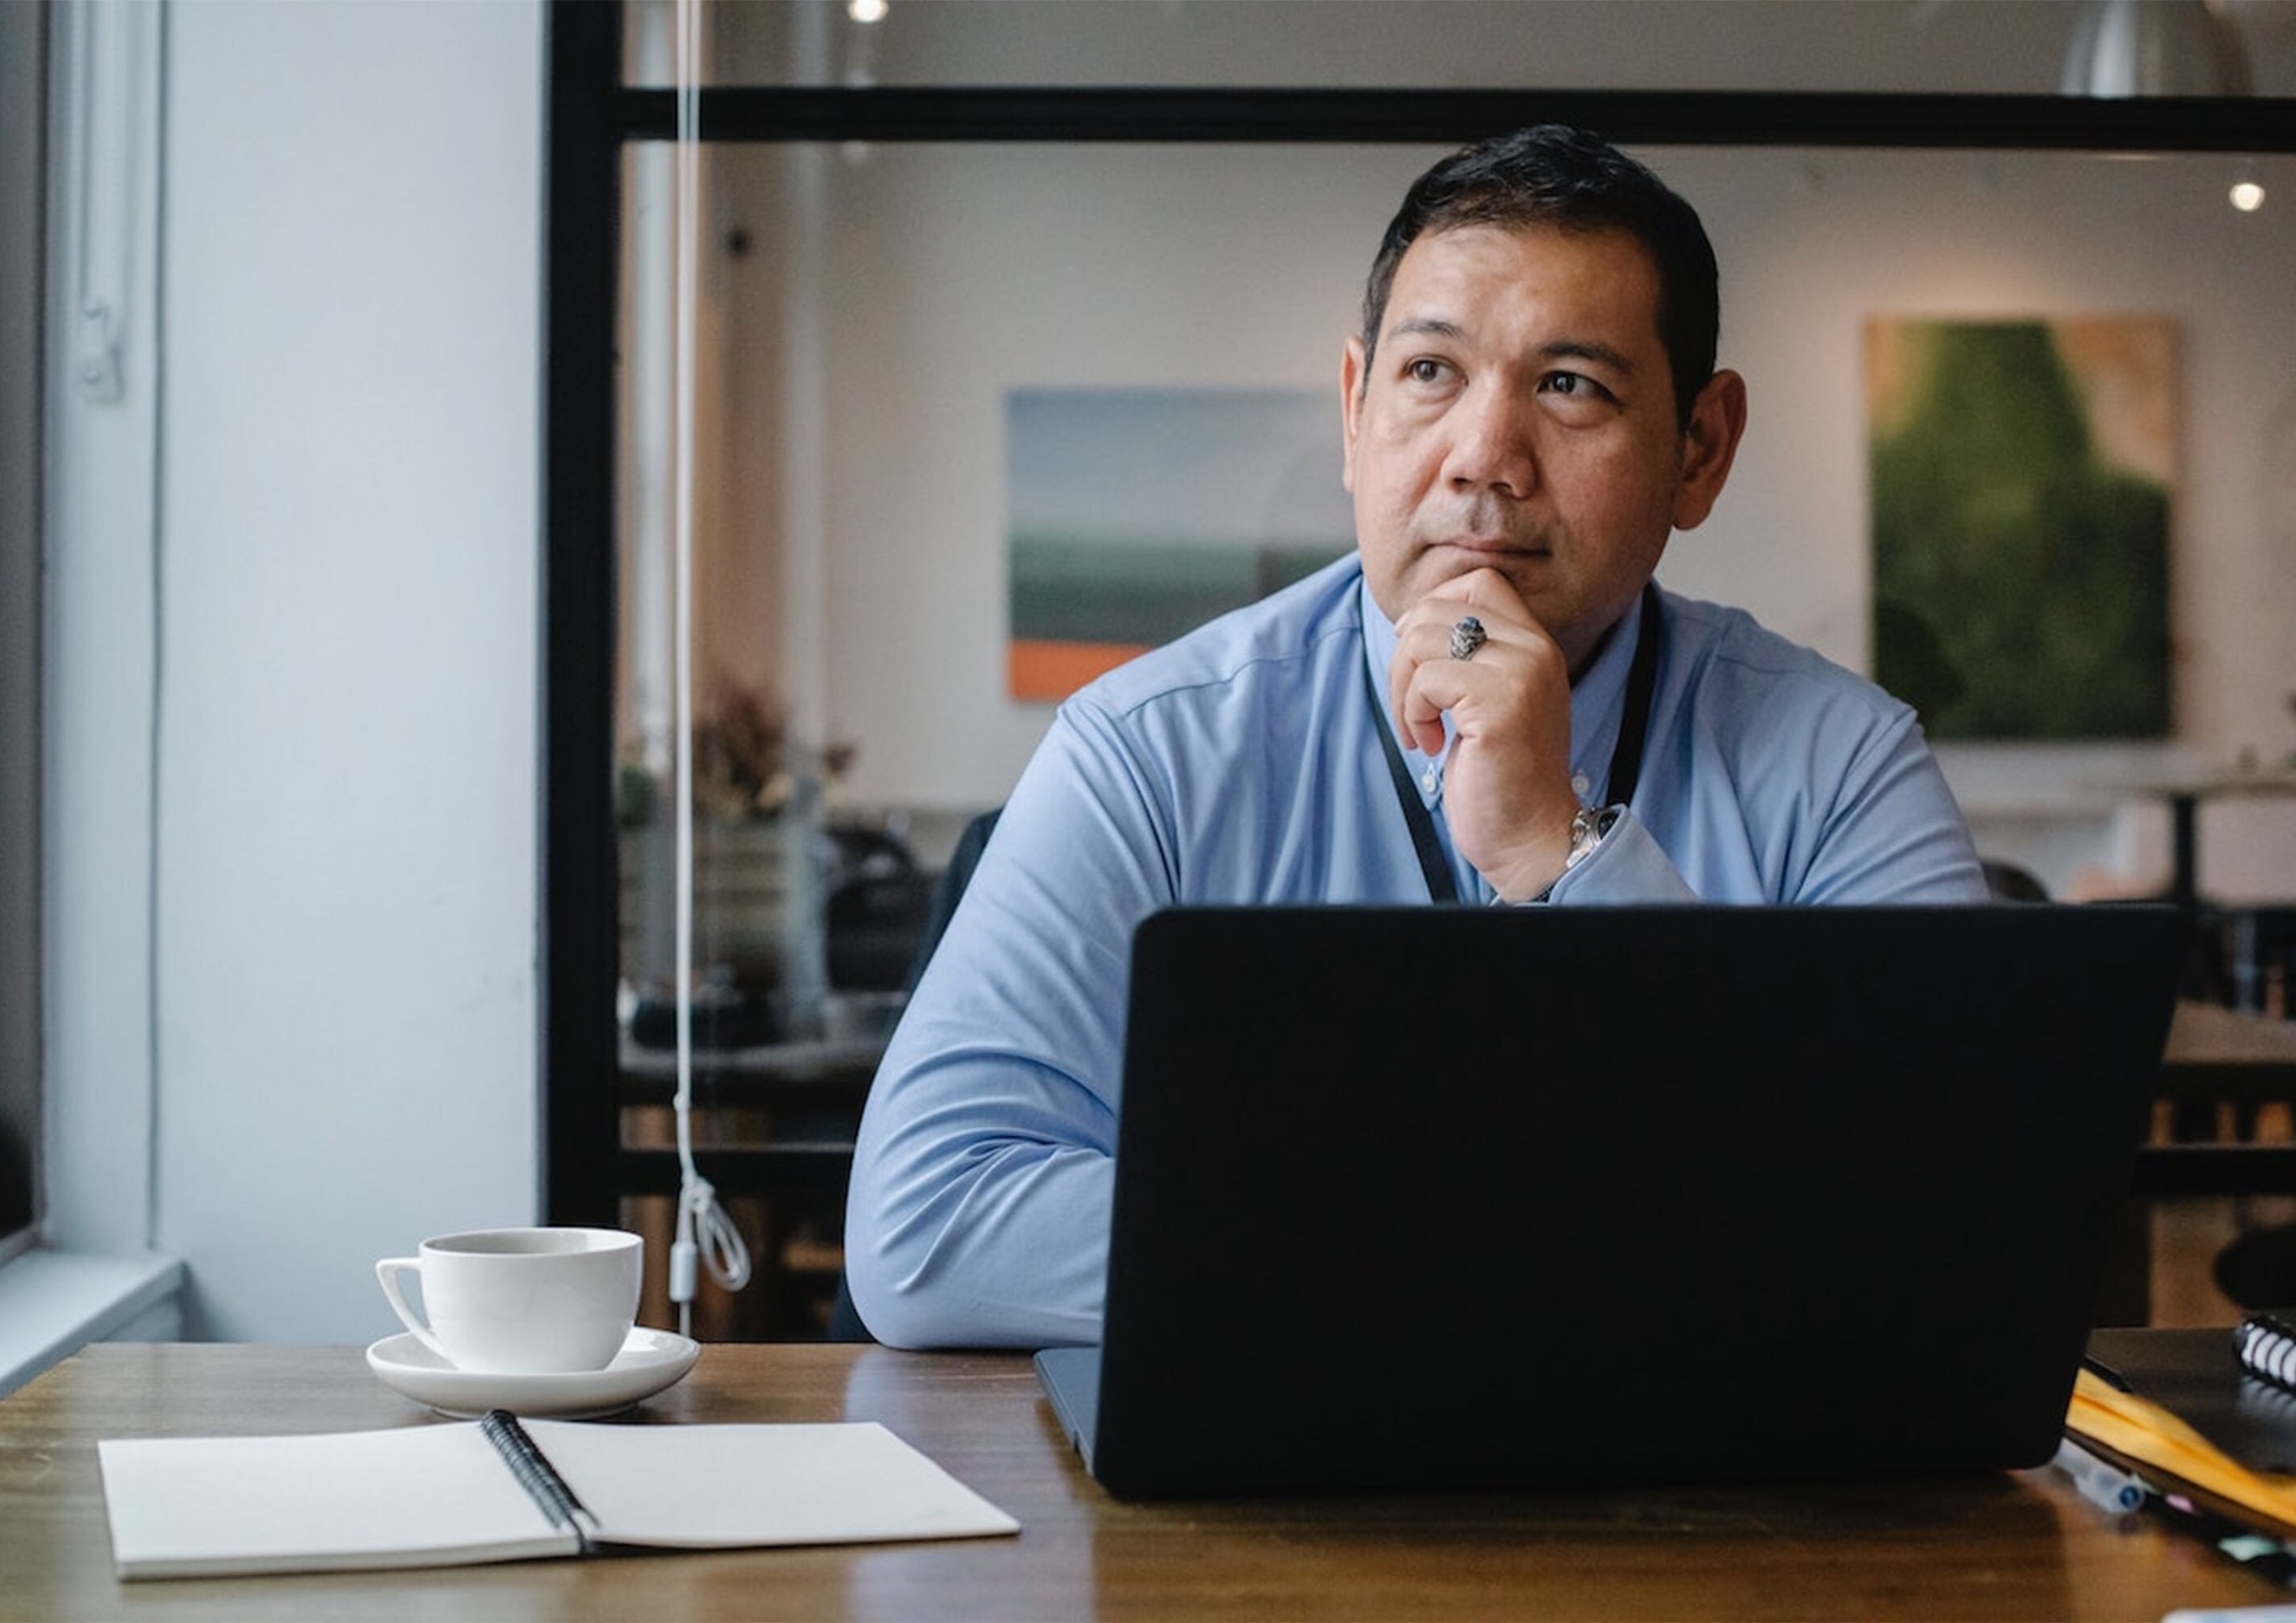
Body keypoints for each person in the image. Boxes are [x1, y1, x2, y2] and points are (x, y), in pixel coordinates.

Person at [845, 126, 1987, 1350]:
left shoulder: (1839, 764)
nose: (1485, 459)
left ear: (1698, 452)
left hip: (1706, 1516)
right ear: (1355, 409)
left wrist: (1566, 852)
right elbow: (928, 1225)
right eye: (1431, 374)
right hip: (1256, 1512)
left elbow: (1964, 1223)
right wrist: (1494, 1232)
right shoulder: (1151, 751)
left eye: (1571, 386)